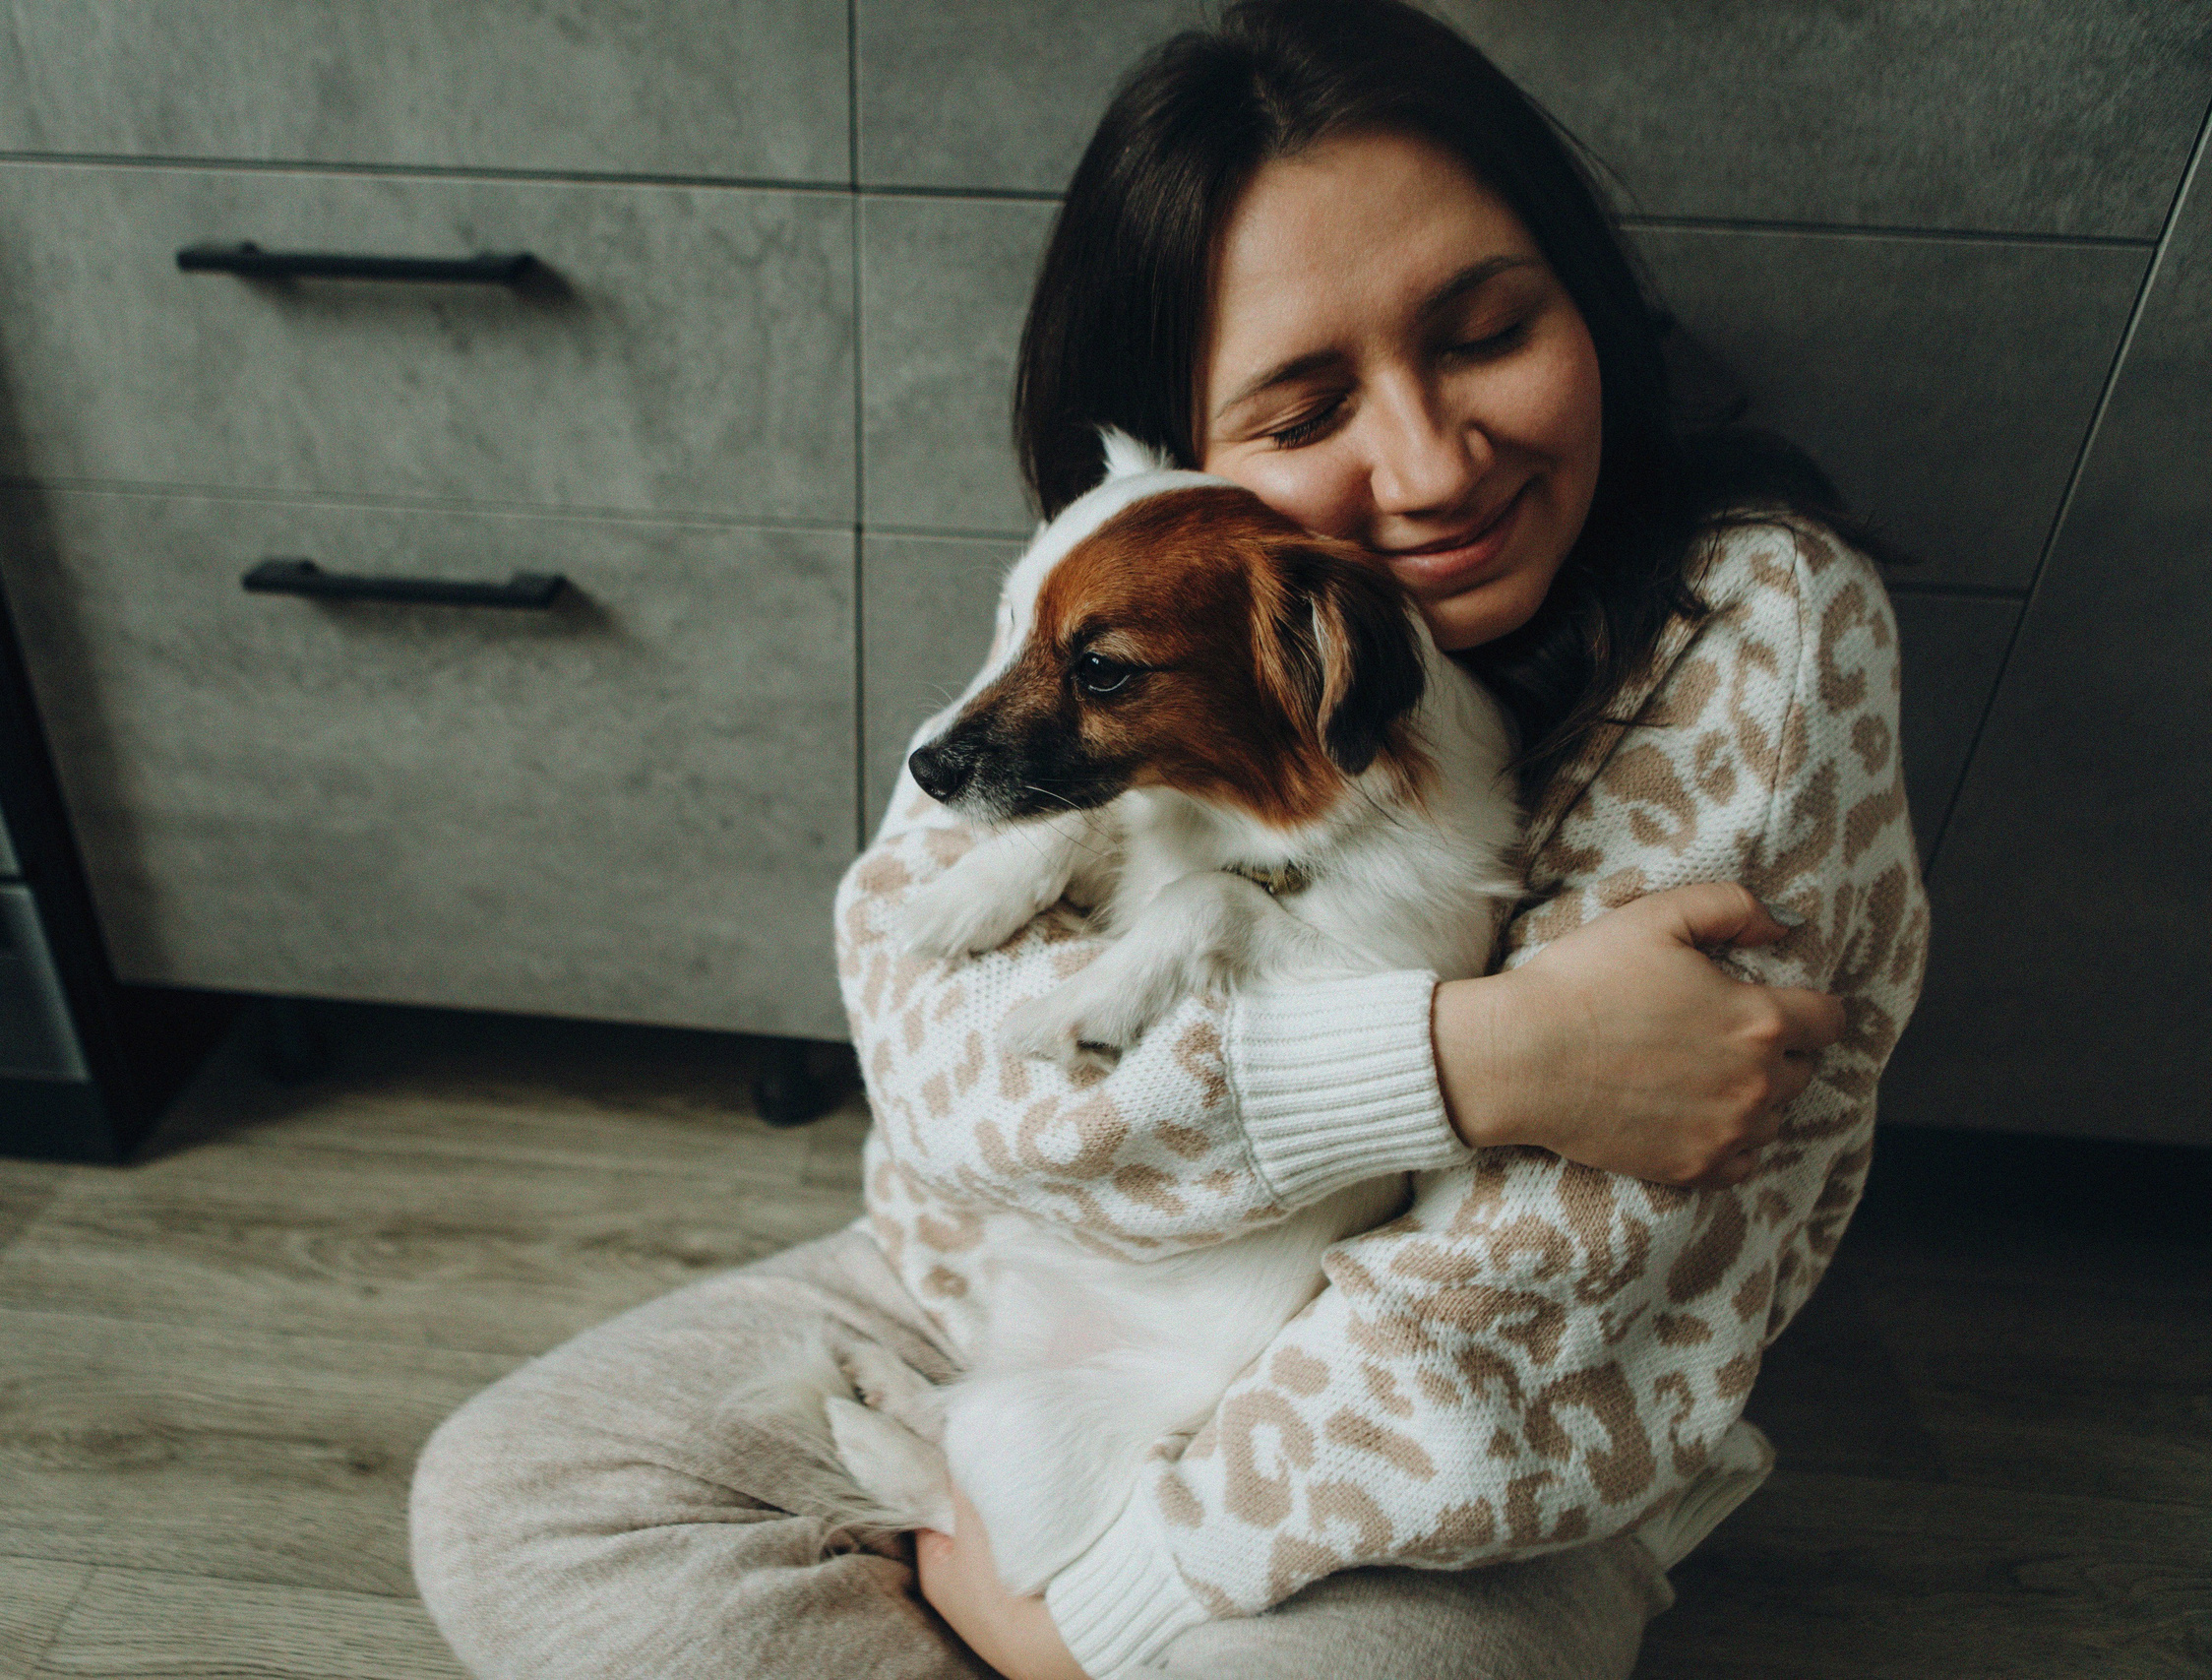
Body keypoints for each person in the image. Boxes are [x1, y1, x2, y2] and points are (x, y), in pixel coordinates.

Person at [406, 3, 1930, 1676]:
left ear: (1584, 298)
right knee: (507, 1494)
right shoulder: (1126, 593)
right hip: (987, 1270)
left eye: (1488, 329)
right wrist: (1474, 1056)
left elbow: (1554, 1274)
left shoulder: (1759, 629)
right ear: (1175, 457)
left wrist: (1107, 1605)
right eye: (1302, 412)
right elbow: (931, 1057)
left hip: (1441, 1429)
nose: (1431, 465)